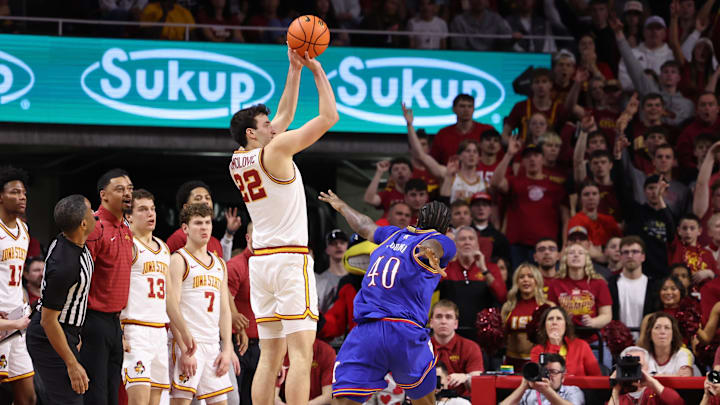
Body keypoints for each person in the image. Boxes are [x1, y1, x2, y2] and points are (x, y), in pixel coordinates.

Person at [228, 47, 337, 405]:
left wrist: (294, 69)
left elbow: (285, 114)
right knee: (301, 355)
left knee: (271, 357)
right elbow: (328, 116)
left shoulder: (237, 160)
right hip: (290, 261)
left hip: (261, 264)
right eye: (266, 125)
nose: (273, 126)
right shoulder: (276, 151)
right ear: (252, 133)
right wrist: (317, 70)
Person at [318, 189, 456, 404]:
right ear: (446, 228)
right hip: (403, 331)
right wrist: (430, 251)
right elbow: (437, 245)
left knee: (344, 401)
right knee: (426, 401)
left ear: (417, 220)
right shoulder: (441, 240)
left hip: (366, 331)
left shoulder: (393, 234)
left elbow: (365, 225)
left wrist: (342, 206)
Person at [166, 203, 239, 404]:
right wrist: (183, 347)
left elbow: (225, 310)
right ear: (185, 228)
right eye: (198, 223)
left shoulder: (219, 264)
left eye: (207, 222)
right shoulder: (178, 259)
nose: (204, 227)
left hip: (212, 344)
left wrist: (227, 348)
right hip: (188, 343)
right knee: (181, 401)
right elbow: (172, 307)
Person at [26, 195, 95, 405]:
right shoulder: (65, 266)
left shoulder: (68, 239)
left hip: (67, 330)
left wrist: (76, 333)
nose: (95, 215)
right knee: (69, 400)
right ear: (83, 223)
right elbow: (48, 320)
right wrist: (71, 363)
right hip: (49, 335)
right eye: (91, 211)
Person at [80, 168, 133, 405]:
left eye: (130, 189)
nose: (127, 194)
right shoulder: (94, 228)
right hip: (92, 322)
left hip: (115, 322)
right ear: (103, 195)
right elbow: (78, 279)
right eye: (120, 189)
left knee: (114, 394)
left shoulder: (126, 229)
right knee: (97, 396)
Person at [120, 189, 171, 405]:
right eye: (142, 209)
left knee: (156, 402)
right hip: (135, 329)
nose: (150, 214)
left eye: (152, 209)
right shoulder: (126, 245)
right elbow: (114, 289)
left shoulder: (164, 248)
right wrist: (118, 331)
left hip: (160, 331)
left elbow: (170, 298)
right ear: (129, 216)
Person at [490, 137, 568, 271]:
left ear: (542, 159)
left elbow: (566, 219)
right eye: (528, 156)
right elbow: (495, 183)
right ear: (523, 161)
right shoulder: (514, 182)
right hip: (517, 246)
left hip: (547, 247)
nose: (532, 159)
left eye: (536, 155)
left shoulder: (556, 187)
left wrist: (565, 245)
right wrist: (509, 154)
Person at [0, 166, 35, 405]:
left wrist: (23, 300)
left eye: (23, 192)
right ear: (1, 196)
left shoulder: (24, 230)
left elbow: (17, 275)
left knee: (28, 397)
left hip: (17, 322)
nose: (22, 197)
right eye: (15, 192)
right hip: (2, 319)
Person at [438, 226, 506, 338]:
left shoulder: (491, 268)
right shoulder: (446, 268)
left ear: (477, 245)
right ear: (455, 245)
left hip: (482, 334)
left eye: (471, 238)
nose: (467, 242)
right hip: (451, 334)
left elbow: (501, 296)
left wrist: (484, 270)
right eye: (462, 239)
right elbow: (428, 289)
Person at [166, 180, 240, 261]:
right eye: (198, 198)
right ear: (186, 207)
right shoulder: (177, 238)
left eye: (208, 198)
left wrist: (229, 233)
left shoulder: (216, 243)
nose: (205, 202)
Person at [226, 221, 257, 405]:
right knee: (236, 400)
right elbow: (224, 302)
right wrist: (239, 329)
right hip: (237, 344)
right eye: (257, 235)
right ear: (248, 237)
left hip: (262, 345)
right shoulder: (235, 266)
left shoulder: (270, 266)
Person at [429, 300, 484, 398]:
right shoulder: (421, 347)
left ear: (456, 324)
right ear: (431, 323)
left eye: (448, 317)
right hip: (429, 400)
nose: (443, 321)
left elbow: (480, 384)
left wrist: (466, 377)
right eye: (438, 316)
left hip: (462, 400)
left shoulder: (471, 347)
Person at [501, 263, 552, 371]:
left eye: (530, 276)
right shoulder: (508, 307)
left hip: (539, 362)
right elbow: (502, 336)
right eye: (521, 277)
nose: (525, 280)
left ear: (537, 280)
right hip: (511, 362)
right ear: (516, 282)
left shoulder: (547, 307)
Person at [608, 236, 659, 339]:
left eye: (635, 252)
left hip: (647, 343)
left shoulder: (654, 286)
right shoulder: (610, 284)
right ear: (621, 256)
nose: (630, 256)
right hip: (616, 344)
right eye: (625, 252)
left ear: (643, 256)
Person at [530, 307, 602, 376]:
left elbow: (597, 377)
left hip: (580, 388)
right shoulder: (537, 351)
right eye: (550, 319)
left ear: (566, 325)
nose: (554, 322)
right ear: (545, 326)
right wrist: (554, 346)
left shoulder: (581, 346)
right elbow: (546, 377)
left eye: (559, 318)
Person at [607, 346, 685, 405]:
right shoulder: (619, 398)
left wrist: (653, 383)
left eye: (637, 366)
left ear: (648, 368)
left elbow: (678, 403)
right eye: (628, 367)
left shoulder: (655, 393)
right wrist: (616, 389)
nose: (632, 370)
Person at [430, 94, 494, 165]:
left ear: (473, 109)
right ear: (454, 109)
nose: (466, 110)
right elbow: (433, 163)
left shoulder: (487, 130)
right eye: (462, 106)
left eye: (470, 106)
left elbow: (498, 159)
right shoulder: (443, 134)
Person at [499, 353, 585, 405]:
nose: (548, 375)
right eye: (545, 371)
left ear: (563, 377)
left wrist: (547, 391)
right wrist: (523, 387)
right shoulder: (529, 393)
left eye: (553, 372)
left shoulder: (572, 391)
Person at [640, 312, 695, 376]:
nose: (662, 332)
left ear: (673, 334)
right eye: (657, 327)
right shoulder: (643, 355)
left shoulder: (683, 353)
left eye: (667, 328)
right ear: (650, 333)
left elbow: (684, 379)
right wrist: (673, 376)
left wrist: (654, 377)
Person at [316, 229, 349, 313]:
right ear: (327, 249)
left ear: (347, 247)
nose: (338, 246)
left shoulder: (355, 278)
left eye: (342, 242)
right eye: (333, 243)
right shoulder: (319, 281)